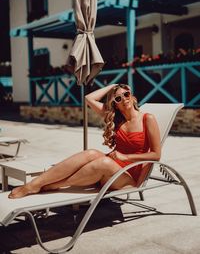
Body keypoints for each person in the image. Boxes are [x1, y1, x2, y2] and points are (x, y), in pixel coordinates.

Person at [8, 84, 161, 199]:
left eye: (126, 94)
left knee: (104, 162)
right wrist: (113, 86)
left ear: (132, 96)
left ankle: (51, 185)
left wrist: (126, 158)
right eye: (119, 98)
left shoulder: (148, 119)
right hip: (113, 168)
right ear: (115, 103)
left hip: (128, 177)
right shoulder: (115, 118)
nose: (124, 99)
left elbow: (156, 155)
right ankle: (34, 184)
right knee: (91, 153)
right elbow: (89, 98)